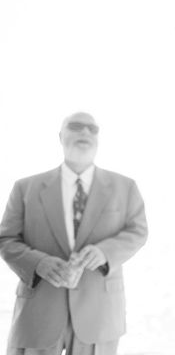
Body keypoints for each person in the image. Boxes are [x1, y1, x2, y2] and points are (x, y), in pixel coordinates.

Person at [0, 112, 148, 355]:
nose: (85, 132)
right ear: (61, 136)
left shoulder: (126, 186)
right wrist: (39, 263)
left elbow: (138, 231)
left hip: (99, 315)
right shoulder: (25, 187)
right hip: (37, 314)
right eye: (76, 126)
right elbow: (6, 239)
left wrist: (104, 252)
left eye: (92, 129)